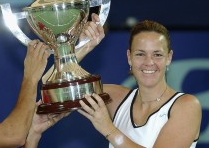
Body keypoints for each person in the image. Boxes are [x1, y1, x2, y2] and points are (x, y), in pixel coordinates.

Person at [77, 18, 202, 147]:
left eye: (157, 54)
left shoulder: (187, 106)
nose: (149, 62)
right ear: (129, 57)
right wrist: (83, 47)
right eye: (140, 54)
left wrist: (108, 129)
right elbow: (59, 92)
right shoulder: (117, 98)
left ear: (169, 58)